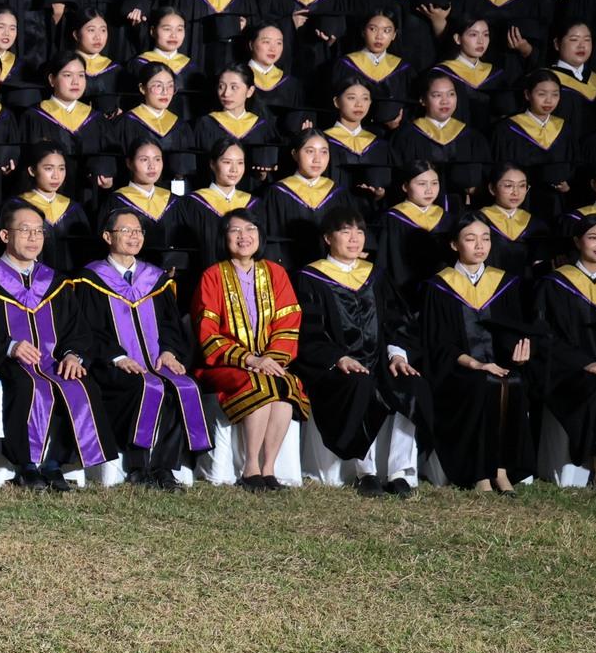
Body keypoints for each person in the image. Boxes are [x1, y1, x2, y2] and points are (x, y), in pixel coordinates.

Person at [0, 200, 113, 488]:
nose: (33, 237)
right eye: (25, 230)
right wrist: (10, 346)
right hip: (6, 361)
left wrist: (72, 355)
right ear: (5, 235)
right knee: (27, 385)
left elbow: (77, 329)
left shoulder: (56, 282)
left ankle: (55, 463)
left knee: (79, 383)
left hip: (53, 360)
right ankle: (26, 464)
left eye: (39, 231)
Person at [291, 210, 433, 494]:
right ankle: (365, 471)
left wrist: (396, 355)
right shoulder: (311, 277)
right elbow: (308, 331)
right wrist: (337, 358)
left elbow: (397, 322)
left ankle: (399, 472)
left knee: (412, 386)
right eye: (345, 231)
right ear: (328, 238)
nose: (354, 239)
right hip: (336, 366)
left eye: (359, 232)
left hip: (380, 360)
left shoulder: (376, 276)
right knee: (361, 384)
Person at [74, 208, 211, 490]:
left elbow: (171, 324)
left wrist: (169, 351)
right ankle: (139, 467)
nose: (134, 236)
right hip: (111, 365)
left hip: (156, 361)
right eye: (126, 231)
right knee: (145, 386)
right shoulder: (90, 279)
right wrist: (118, 357)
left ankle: (164, 468)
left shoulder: (155, 279)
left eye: (138, 231)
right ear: (107, 237)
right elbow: (87, 329)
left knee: (183, 386)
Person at [419, 214, 535, 493]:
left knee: (513, 381)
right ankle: (481, 472)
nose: (480, 246)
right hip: (457, 368)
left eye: (486, 238)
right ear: (454, 244)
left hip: (499, 364)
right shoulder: (439, 286)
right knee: (484, 383)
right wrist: (476, 364)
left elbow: (512, 330)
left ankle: (501, 469)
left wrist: (518, 353)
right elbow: (438, 342)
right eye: (470, 239)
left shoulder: (504, 283)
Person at [193, 209, 307, 489]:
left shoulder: (276, 273)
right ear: (224, 238)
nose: (243, 236)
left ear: (260, 235)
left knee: (285, 385)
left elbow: (289, 320)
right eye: (235, 230)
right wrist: (250, 359)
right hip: (225, 365)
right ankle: (250, 467)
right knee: (259, 384)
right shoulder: (212, 276)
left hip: (268, 361)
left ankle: (269, 469)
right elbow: (207, 331)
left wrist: (271, 359)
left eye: (250, 229)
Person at [533, 212, 596, 488]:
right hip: (571, 365)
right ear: (578, 242)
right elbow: (546, 336)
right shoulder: (555, 283)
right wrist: (586, 363)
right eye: (593, 237)